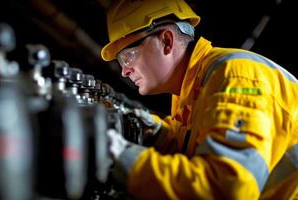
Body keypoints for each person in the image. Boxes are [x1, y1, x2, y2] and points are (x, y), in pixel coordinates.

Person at [101, 0, 298, 199]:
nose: (125, 71)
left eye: (128, 56)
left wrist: (120, 157)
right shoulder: (192, 89)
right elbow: (191, 145)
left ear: (166, 41)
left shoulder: (236, 77)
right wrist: (155, 133)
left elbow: (226, 188)